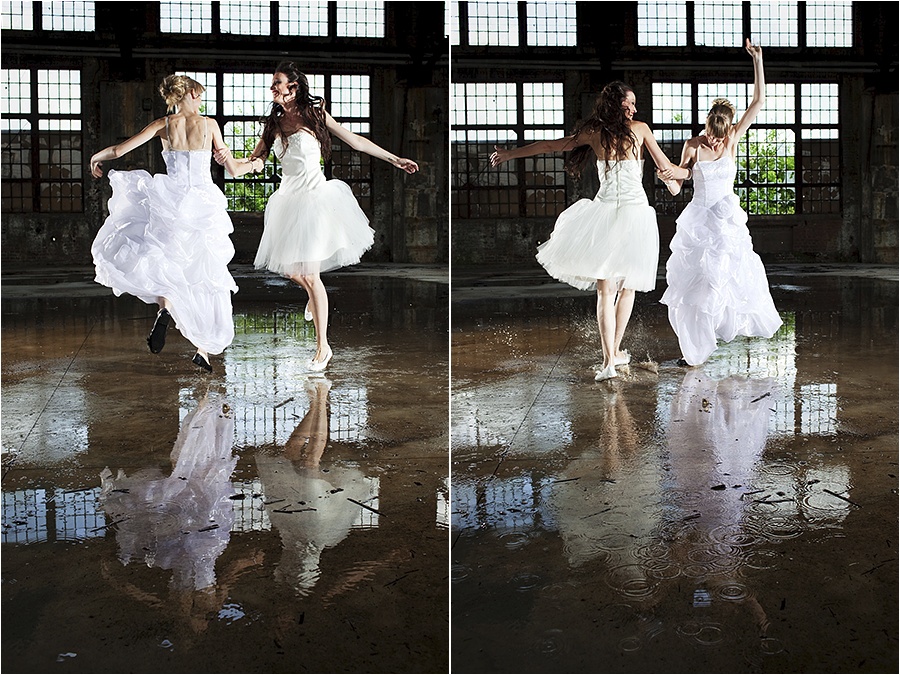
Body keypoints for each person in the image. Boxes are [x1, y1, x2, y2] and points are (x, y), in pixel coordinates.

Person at [216, 61, 419, 373]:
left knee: (311, 276)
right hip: (287, 201)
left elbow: (355, 140)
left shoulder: (315, 113)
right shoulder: (273, 123)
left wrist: (394, 159)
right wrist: (231, 162)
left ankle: (323, 348)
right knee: (289, 271)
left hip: (317, 201)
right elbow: (254, 162)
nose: (272, 88)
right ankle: (313, 298)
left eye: (277, 83)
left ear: (293, 88)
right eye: (272, 83)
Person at [490, 81, 689, 381]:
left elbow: (548, 146)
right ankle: (613, 354)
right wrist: (681, 176)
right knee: (626, 287)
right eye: (629, 104)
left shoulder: (593, 134)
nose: (634, 109)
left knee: (607, 289)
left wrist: (509, 154)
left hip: (606, 214)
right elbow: (667, 169)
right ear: (616, 104)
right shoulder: (641, 129)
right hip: (634, 215)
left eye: (634, 104)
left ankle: (611, 359)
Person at [90, 74, 255, 372]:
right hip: (203, 203)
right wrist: (255, 163)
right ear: (191, 93)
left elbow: (120, 150)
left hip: (172, 200)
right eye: (200, 94)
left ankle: (165, 312)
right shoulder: (210, 124)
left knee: (166, 261)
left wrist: (95, 157)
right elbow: (232, 168)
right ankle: (202, 350)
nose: (201, 99)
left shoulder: (163, 125)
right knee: (204, 273)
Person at [657, 40, 782, 366]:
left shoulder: (733, 138)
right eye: (710, 134)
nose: (713, 141)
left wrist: (758, 60)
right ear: (707, 125)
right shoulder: (693, 144)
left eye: (718, 136)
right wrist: (668, 176)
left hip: (725, 219)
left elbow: (759, 100)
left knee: (723, 281)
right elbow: (677, 187)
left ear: (727, 131)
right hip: (699, 218)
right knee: (696, 287)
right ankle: (695, 350)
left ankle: (713, 335)